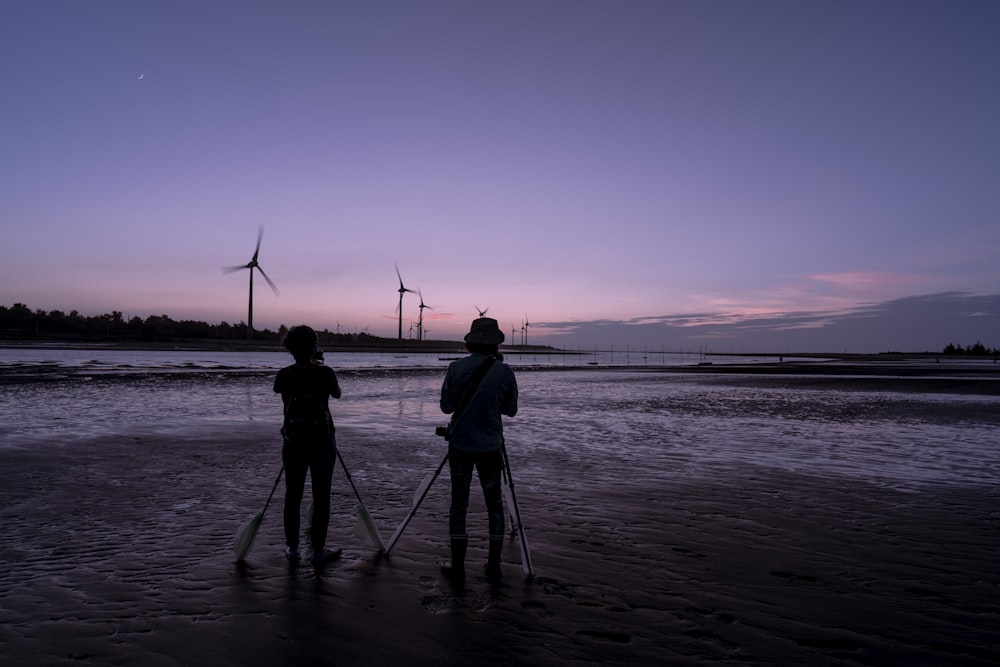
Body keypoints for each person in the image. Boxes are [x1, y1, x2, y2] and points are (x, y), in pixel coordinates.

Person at [439, 317, 518, 582]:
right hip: (491, 446)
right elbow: (511, 409)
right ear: (496, 344)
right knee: (493, 502)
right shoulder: (505, 372)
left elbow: (446, 407)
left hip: (460, 444)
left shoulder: (455, 368)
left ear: (470, 343)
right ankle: (493, 563)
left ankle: (457, 563)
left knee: (458, 502)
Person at [273, 325, 342, 566]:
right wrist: (318, 365)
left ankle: (292, 549)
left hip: (293, 441)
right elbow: (337, 394)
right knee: (322, 496)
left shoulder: (284, 375)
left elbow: (282, 393)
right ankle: (318, 549)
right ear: (313, 346)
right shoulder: (325, 373)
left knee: (293, 495)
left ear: (289, 348)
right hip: (322, 441)